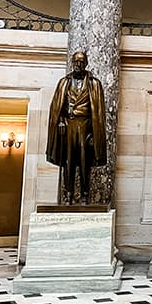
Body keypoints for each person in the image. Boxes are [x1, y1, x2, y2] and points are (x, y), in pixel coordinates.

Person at [46, 51, 107, 204]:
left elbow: (98, 112)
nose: (78, 65)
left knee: (85, 162)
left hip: (86, 127)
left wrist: (94, 134)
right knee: (68, 162)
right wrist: (60, 120)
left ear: (86, 64)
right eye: (75, 62)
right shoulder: (64, 82)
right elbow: (56, 107)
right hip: (67, 126)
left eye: (81, 62)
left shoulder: (94, 84)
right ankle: (68, 195)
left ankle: (85, 195)